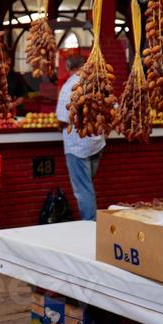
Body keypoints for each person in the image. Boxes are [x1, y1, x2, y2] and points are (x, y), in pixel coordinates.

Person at [56, 55, 105, 221]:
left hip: (77, 148)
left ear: (69, 69)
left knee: (83, 189)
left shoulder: (69, 86)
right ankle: (90, 222)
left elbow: (62, 120)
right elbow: (112, 110)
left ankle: (90, 224)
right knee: (87, 186)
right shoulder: (98, 84)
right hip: (97, 144)